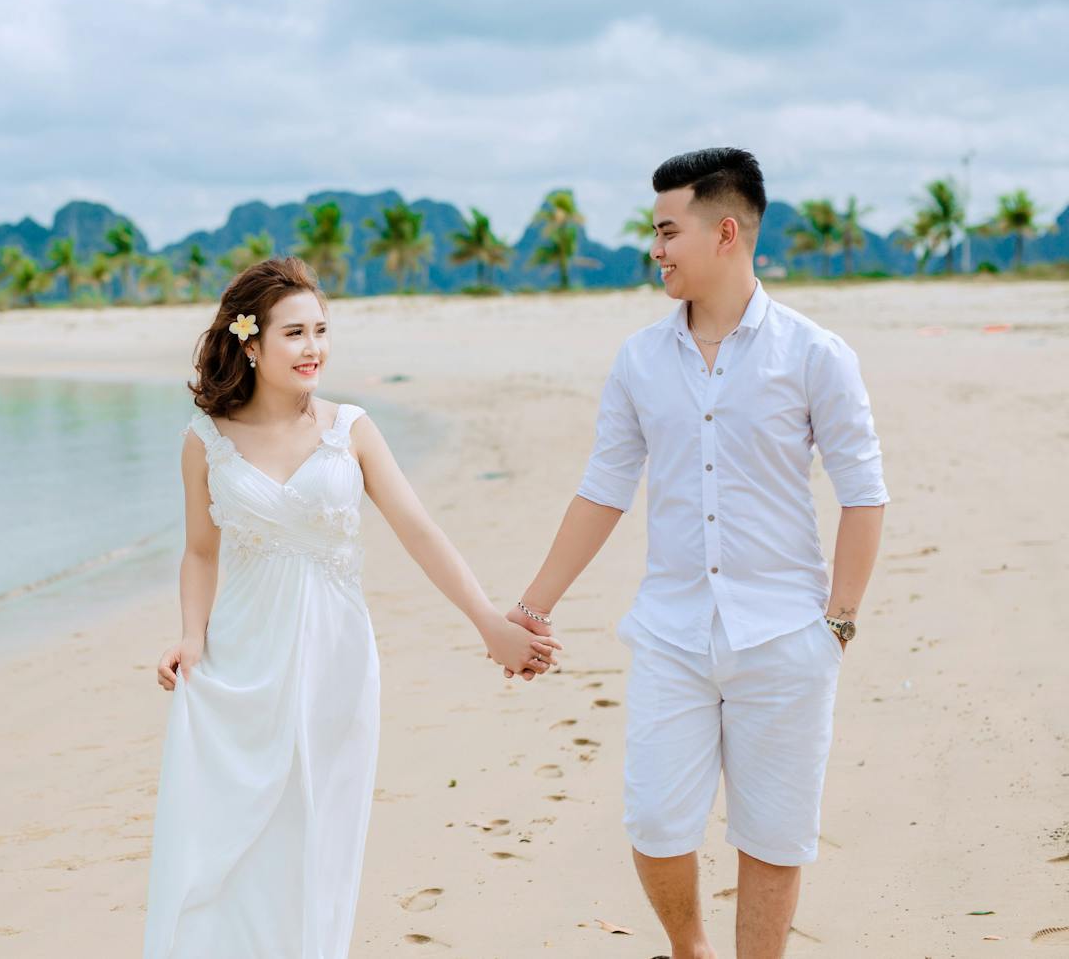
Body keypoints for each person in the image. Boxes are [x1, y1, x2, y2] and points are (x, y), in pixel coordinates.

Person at [503, 148, 888, 958]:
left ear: (724, 231)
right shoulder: (640, 359)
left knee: (775, 836)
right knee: (653, 819)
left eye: (667, 231)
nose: (656, 249)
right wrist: (533, 607)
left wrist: (837, 626)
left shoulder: (815, 354)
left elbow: (864, 492)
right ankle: (690, 947)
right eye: (654, 232)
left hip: (786, 635)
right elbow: (603, 489)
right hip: (672, 634)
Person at [143, 256, 559, 958]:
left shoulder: (351, 429)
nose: (314, 349)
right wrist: (191, 637)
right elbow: (201, 552)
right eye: (295, 333)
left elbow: (419, 529)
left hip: (336, 657)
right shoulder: (205, 440)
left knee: (319, 832)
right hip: (242, 660)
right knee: (231, 837)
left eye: (321, 331)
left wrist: (489, 621)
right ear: (251, 344)